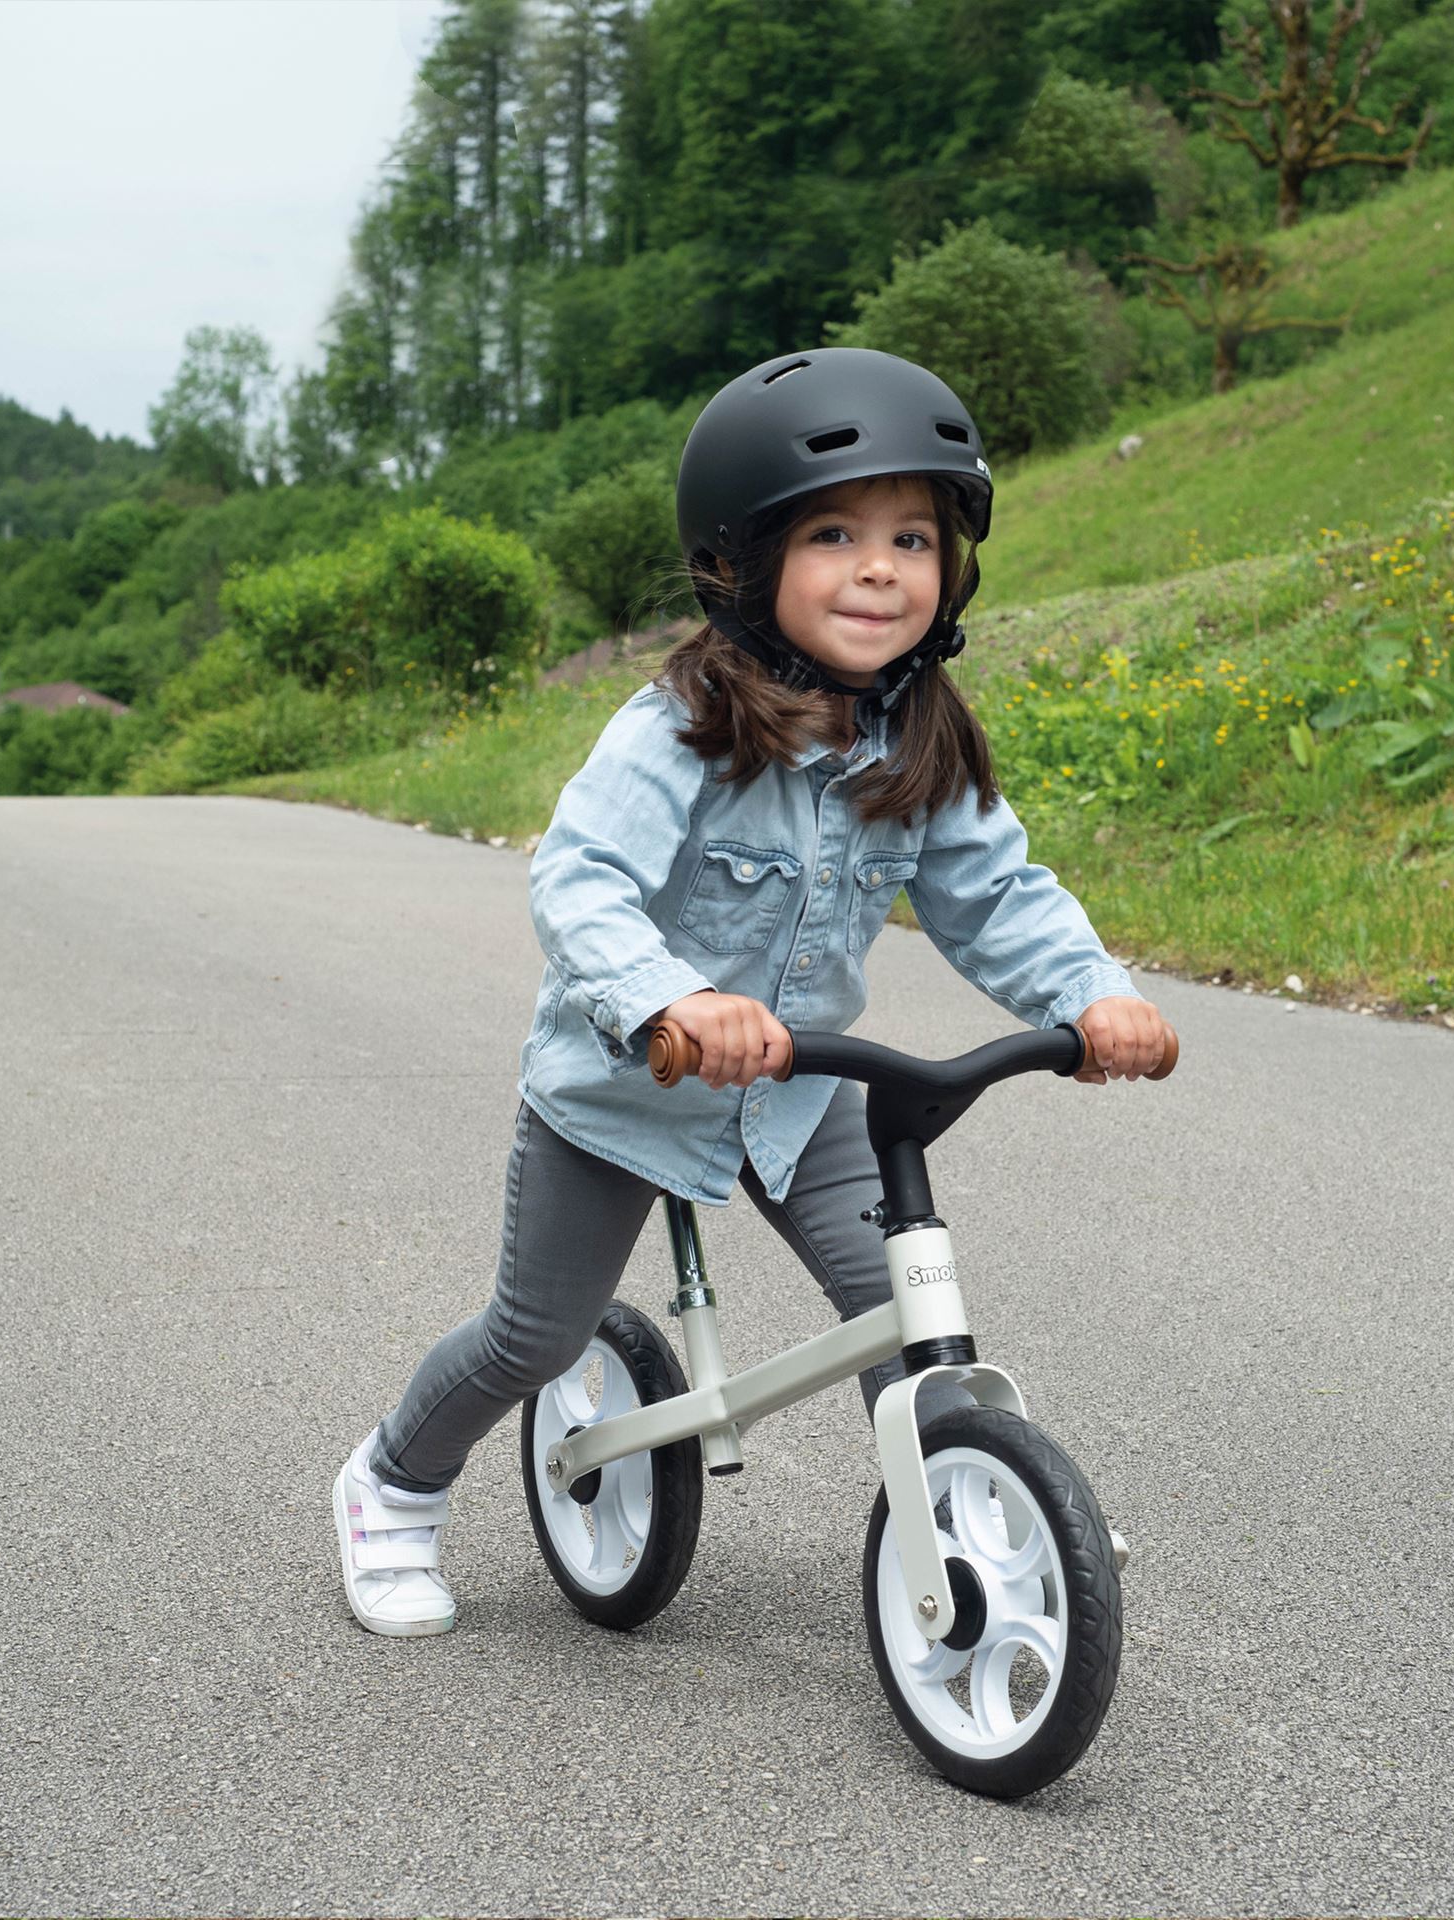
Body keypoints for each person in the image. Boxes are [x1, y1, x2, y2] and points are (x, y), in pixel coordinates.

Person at [334, 346, 1172, 1636]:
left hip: (804, 1088)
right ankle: (393, 1484)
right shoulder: (676, 724)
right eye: (835, 534)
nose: (883, 566)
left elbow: (994, 894)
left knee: (906, 1315)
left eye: (914, 535)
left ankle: (973, 1499)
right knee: (536, 1337)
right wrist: (670, 998)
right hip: (624, 1086)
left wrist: (1094, 993)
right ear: (741, 562)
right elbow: (582, 879)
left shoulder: (921, 737)